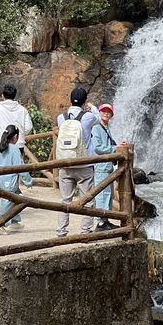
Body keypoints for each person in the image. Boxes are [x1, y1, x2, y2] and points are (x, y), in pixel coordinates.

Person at [56, 87, 99, 238]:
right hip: (84, 165)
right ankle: (85, 232)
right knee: (87, 200)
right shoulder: (88, 117)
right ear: (84, 101)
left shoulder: (61, 117)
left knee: (65, 200)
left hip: (65, 164)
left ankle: (61, 232)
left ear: (70, 100)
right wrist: (92, 107)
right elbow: (99, 119)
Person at [0, 124, 33, 234]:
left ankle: (14, 222)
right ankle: (0, 225)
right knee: (7, 201)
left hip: (0, 180)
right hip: (10, 181)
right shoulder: (14, 149)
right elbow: (20, 167)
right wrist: (28, 181)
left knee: (13, 200)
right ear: (16, 136)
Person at [92, 103, 118, 232]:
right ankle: (100, 223)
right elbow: (97, 148)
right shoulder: (97, 128)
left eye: (108, 112)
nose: (106, 113)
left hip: (107, 167)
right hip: (101, 166)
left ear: (111, 115)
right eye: (103, 111)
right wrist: (115, 149)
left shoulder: (107, 128)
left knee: (109, 193)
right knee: (102, 194)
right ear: (100, 113)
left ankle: (105, 220)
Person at [0, 84, 33, 153]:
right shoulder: (22, 109)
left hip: (2, 145)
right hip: (18, 145)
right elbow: (28, 127)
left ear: (2, 96)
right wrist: (19, 135)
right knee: (18, 163)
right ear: (15, 96)